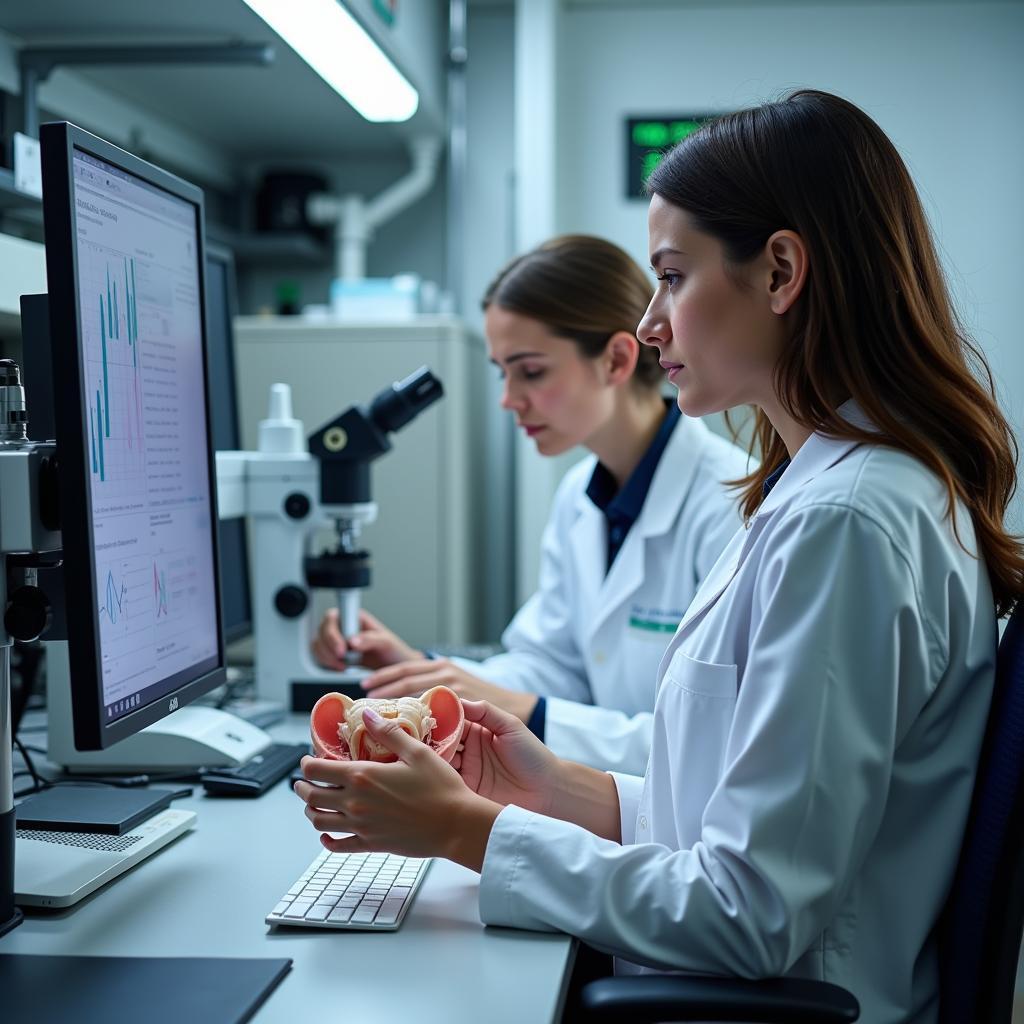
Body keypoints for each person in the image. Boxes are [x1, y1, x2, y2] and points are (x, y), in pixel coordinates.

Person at [294, 90, 1024, 1022]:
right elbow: (729, 817)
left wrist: (467, 831)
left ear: (781, 271)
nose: (648, 326)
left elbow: (749, 915)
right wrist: (547, 783)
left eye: (672, 277)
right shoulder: (822, 491)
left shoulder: (846, 519)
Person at [313, 234, 749, 774]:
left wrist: (523, 710)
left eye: (531, 370)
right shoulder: (580, 496)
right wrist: (422, 676)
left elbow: (719, 742)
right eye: (503, 372)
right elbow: (551, 664)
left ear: (615, 359)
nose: (508, 398)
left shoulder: (729, 502)